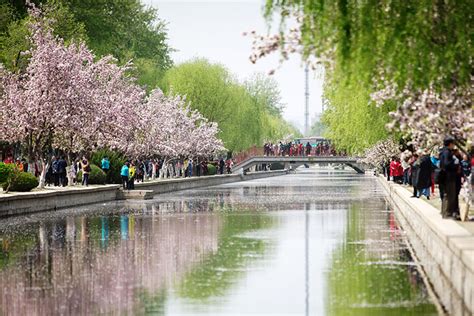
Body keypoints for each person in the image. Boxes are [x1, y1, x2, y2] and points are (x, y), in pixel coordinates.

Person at [439, 137, 458, 219]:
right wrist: (455, 163)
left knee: (446, 194)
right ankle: (447, 213)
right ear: (450, 144)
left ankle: (444, 212)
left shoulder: (443, 151)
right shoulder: (447, 152)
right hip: (449, 176)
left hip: (445, 176)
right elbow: (447, 164)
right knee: (449, 194)